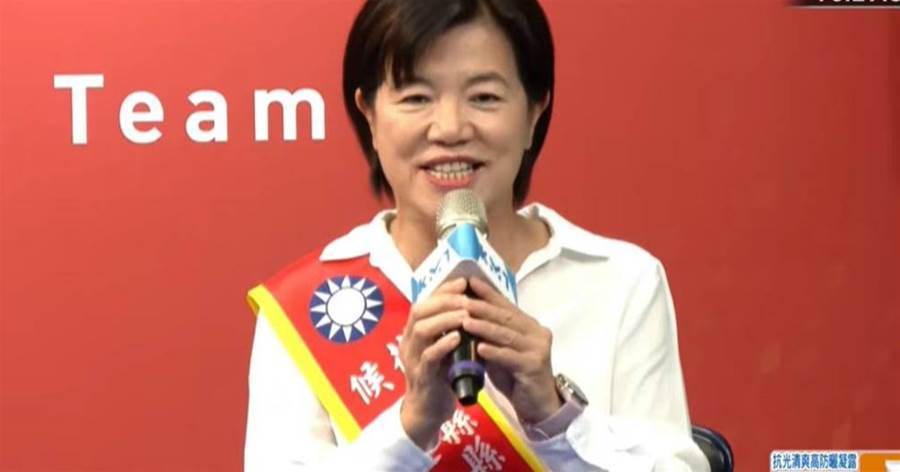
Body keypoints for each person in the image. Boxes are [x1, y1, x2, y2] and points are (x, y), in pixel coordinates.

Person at [244, 0, 710, 470]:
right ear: (369, 114)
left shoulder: (620, 283)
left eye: (484, 97)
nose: (450, 128)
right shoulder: (313, 305)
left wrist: (555, 416)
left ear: (534, 111)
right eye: (416, 97)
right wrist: (409, 427)